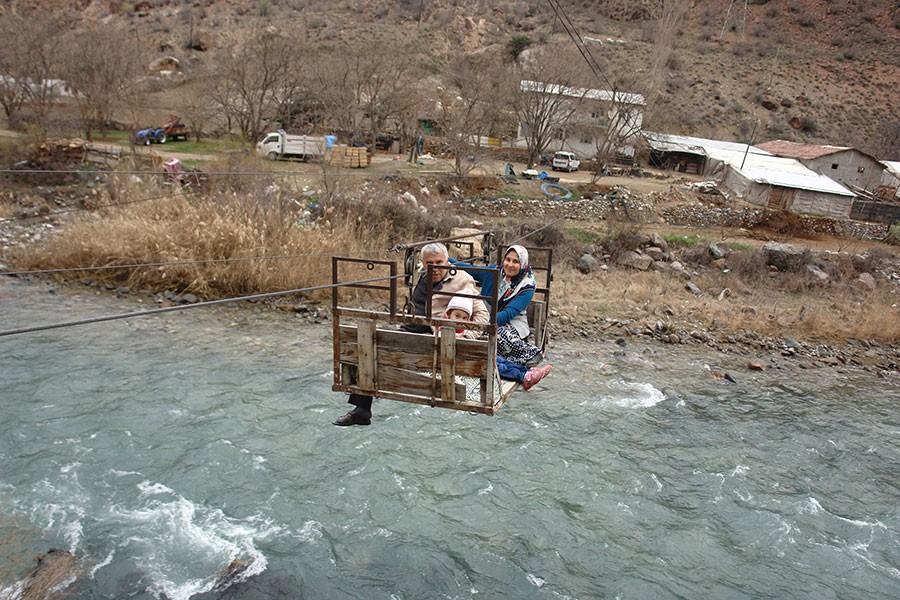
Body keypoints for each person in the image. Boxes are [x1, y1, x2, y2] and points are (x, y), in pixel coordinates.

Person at [333, 242, 488, 426]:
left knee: (384, 352)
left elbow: (483, 316)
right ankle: (362, 410)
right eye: (430, 264)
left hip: (436, 335)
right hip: (412, 327)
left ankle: (362, 409)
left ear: (448, 261)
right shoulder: (421, 275)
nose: (435, 268)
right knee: (370, 345)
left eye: (440, 262)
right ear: (423, 263)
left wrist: (466, 336)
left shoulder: (461, 280)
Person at [450, 244, 543, 367]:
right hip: (487, 319)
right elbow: (471, 269)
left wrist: (481, 324)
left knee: (494, 334)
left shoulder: (527, 286)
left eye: (515, 261)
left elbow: (507, 314)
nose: (510, 265)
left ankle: (529, 354)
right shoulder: (495, 272)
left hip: (512, 323)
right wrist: (448, 260)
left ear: (523, 264)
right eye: (508, 260)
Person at [443, 294, 552, 390]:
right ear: (448, 314)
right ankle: (523, 377)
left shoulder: (466, 330)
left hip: (476, 355)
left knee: (501, 360)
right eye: (457, 316)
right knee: (498, 367)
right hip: (467, 361)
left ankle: (527, 371)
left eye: (464, 318)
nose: (460, 320)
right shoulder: (445, 328)